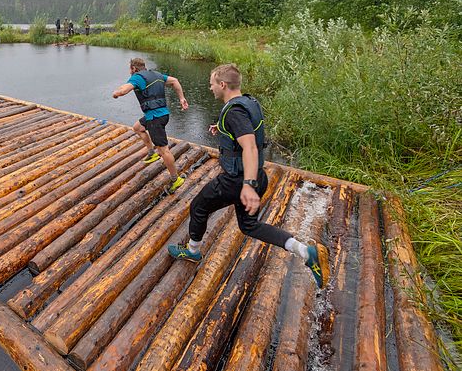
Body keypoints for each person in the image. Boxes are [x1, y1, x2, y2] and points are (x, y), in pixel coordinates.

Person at [167, 64, 330, 288]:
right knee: (249, 226)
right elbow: (247, 130)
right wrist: (222, 128)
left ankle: (192, 251)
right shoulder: (249, 102)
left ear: (222, 84)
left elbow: (251, 147)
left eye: (212, 83)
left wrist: (248, 186)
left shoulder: (234, 112)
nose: (210, 87)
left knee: (198, 206)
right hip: (255, 176)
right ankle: (304, 251)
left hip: (238, 181)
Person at [113, 57, 189, 194]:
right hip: (161, 115)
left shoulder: (137, 77)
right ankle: (151, 153)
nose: (130, 71)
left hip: (155, 118)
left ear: (134, 69)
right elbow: (175, 81)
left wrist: (116, 93)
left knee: (164, 150)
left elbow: (124, 90)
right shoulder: (157, 75)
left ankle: (175, 179)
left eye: (130, 69)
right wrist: (182, 98)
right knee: (137, 128)